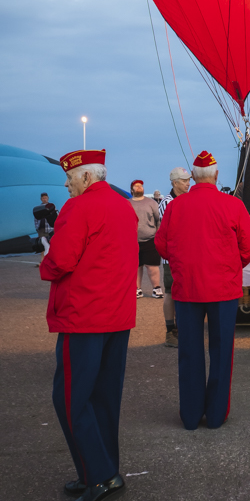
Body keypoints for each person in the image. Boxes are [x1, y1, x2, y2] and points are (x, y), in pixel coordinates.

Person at [40, 149, 138, 501]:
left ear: (86, 177)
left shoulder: (78, 208)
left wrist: (45, 261)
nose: (66, 184)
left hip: (84, 316)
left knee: (71, 399)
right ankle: (104, 470)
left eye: (70, 178)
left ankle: (97, 475)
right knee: (104, 398)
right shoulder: (122, 207)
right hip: (117, 314)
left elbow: (61, 260)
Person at [155, 151, 250, 430]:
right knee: (222, 351)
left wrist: (180, 264)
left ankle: (190, 415)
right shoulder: (233, 204)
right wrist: (231, 265)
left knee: (189, 352)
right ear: (215, 176)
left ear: (193, 176)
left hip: (187, 287)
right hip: (223, 288)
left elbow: (162, 244)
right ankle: (215, 415)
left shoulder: (177, 206)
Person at [158, 167, 192, 347]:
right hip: (171, 257)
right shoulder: (166, 203)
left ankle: (182, 329)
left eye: (188, 180)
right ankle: (170, 331)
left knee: (184, 292)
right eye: (185, 180)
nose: (188, 183)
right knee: (171, 292)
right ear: (174, 182)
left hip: (186, 256)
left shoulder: (186, 199)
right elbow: (167, 233)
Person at [130, 179, 162, 298]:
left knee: (152, 266)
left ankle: (156, 288)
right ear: (132, 189)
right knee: (136, 266)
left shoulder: (152, 203)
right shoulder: (127, 203)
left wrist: (158, 234)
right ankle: (137, 289)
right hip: (132, 240)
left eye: (141, 186)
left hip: (150, 239)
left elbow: (158, 220)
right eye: (136, 186)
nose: (139, 187)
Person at [33, 192, 57, 262]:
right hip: (41, 229)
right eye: (43, 198)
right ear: (41, 199)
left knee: (51, 244)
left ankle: (52, 259)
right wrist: (37, 227)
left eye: (46, 198)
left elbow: (55, 216)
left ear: (48, 198)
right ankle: (42, 260)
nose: (44, 199)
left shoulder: (51, 207)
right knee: (42, 245)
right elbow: (36, 218)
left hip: (50, 229)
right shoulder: (38, 208)